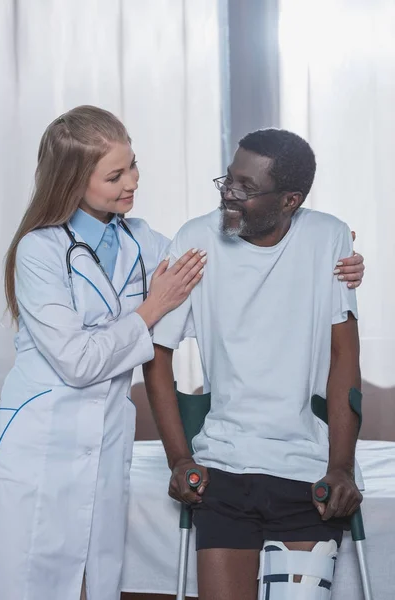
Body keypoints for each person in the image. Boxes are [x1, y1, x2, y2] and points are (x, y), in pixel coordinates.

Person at [0, 105, 207, 600]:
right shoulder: (39, 251)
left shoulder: (143, 240)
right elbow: (78, 361)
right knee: (31, 583)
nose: (132, 181)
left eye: (133, 165)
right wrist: (152, 308)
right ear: (73, 180)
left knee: (100, 579)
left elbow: (211, 279)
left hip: (108, 434)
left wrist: (321, 258)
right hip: (41, 441)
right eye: (115, 175)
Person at [144, 128, 365, 600]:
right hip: (223, 468)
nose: (229, 194)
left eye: (245, 188)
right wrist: (180, 458)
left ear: (290, 200)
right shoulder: (196, 239)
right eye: (227, 180)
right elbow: (156, 354)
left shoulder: (328, 237)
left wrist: (341, 467)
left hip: (306, 473)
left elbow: (345, 356)